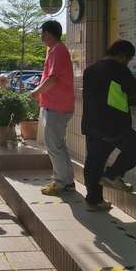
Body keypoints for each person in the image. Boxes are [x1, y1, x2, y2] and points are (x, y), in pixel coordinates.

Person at [82, 40, 136, 211]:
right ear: (122, 55)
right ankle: (112, 175)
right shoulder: (119, 68)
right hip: (113, 124)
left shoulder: (90, 69)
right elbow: (134, 90)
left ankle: (94, 201)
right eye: (128, 59)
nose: (128, 63)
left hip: (92, 124)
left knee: (94, 162)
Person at [31, 20, 75, 196]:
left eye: (42, 33)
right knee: (58, 145)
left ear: (49, 33)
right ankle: (67, 181)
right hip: (56, 105)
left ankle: (61, 183)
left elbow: (53, 79)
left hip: (57, 107)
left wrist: (36, 92)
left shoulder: (57, 50)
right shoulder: (55, 50)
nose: (41, 37)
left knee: (54, 147)